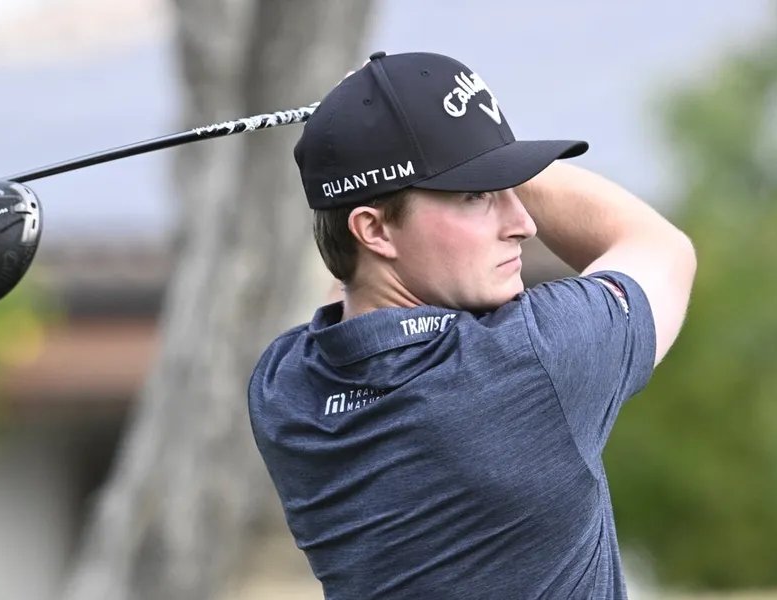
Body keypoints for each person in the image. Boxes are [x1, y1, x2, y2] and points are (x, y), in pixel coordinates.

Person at [248, 51, 696, 599]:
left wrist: (367, 137)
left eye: (509, 187)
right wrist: (469, 143)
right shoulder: (531, 359)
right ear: (376, 231)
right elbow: (661, 247)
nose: (523, 223)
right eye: (477, 194)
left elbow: (351, 285)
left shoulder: (282, 389)